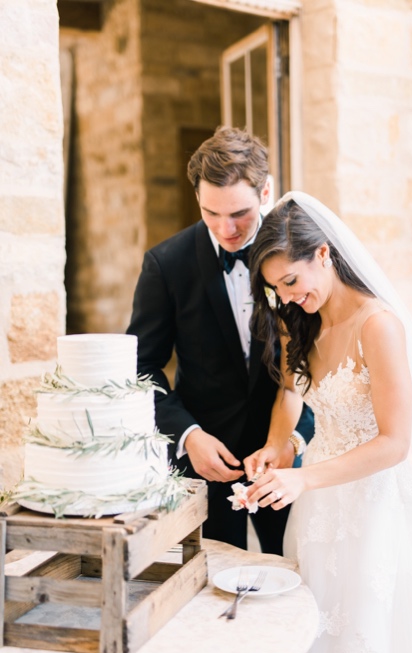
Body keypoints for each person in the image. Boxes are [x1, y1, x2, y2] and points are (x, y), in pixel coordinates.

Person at [239, 194, 412, 653]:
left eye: (291, 281)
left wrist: (304, 478)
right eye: (277, 288)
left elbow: (395, 443)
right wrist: (279, 446)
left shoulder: (377, 326)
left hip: (378, 511)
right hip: (320, 511)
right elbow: (291, 393)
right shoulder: (303, 320)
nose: (288, 296)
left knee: (370, 644)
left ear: (323, 254)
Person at [127, 126, 314, 553]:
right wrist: (188, 435)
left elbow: (326, 359)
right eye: (211, 213)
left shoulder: (302, 255)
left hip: (289, 459)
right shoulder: (166, 264)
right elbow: (140, 369)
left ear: (266, 192)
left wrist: (293, 440)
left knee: (300, 575)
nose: (226, 228)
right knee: (210, 587)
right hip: (203, 462)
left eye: (240, 213)